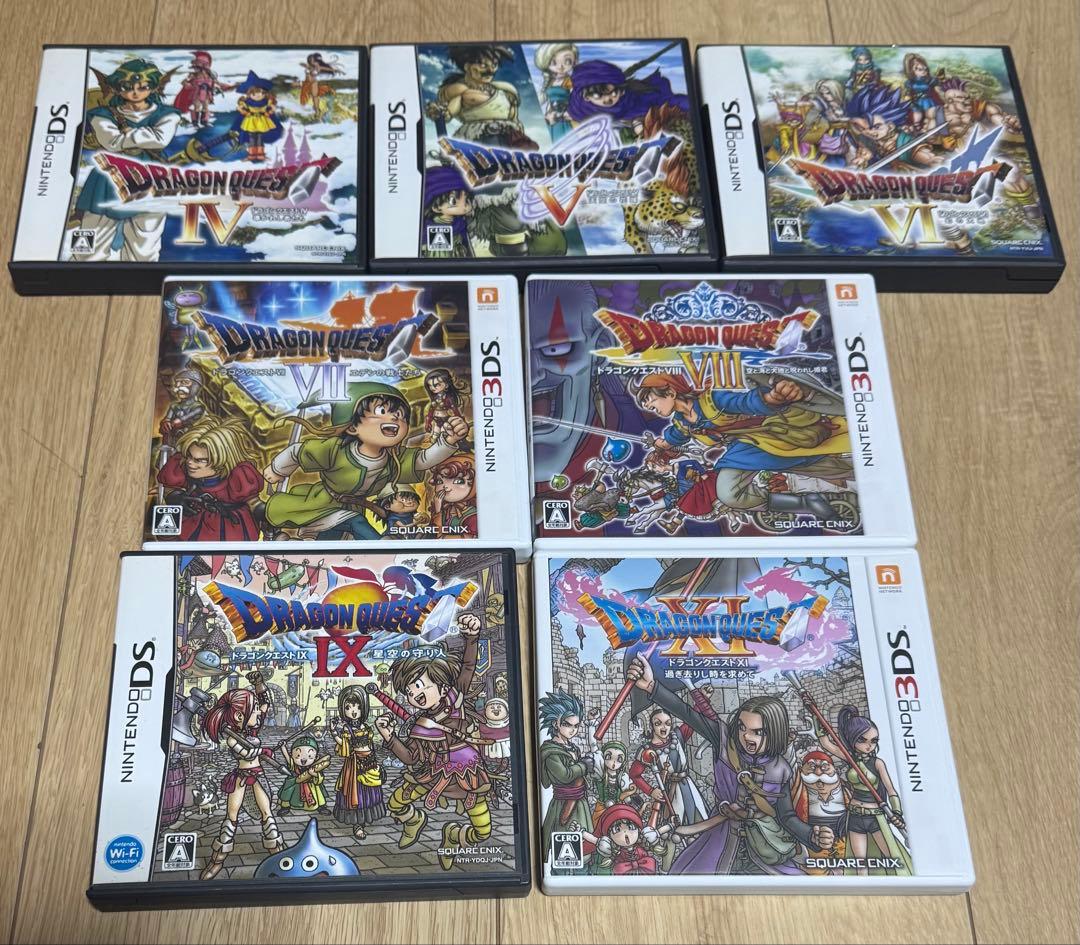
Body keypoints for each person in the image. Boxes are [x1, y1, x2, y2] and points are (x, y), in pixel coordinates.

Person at [75, 58, 181, 261]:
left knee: (145, 246)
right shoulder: (102, 114)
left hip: (151, 178)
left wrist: (127, 136)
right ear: (117, 87)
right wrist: (143, 135)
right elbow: (112, 142)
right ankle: (80, 272)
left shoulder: (168, 114)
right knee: (88, 245)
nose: (135, 93)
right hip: (108, 178)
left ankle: (141, 274)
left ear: (153, 87)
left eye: (143, 87)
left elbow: (160, 139)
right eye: (127, 87)